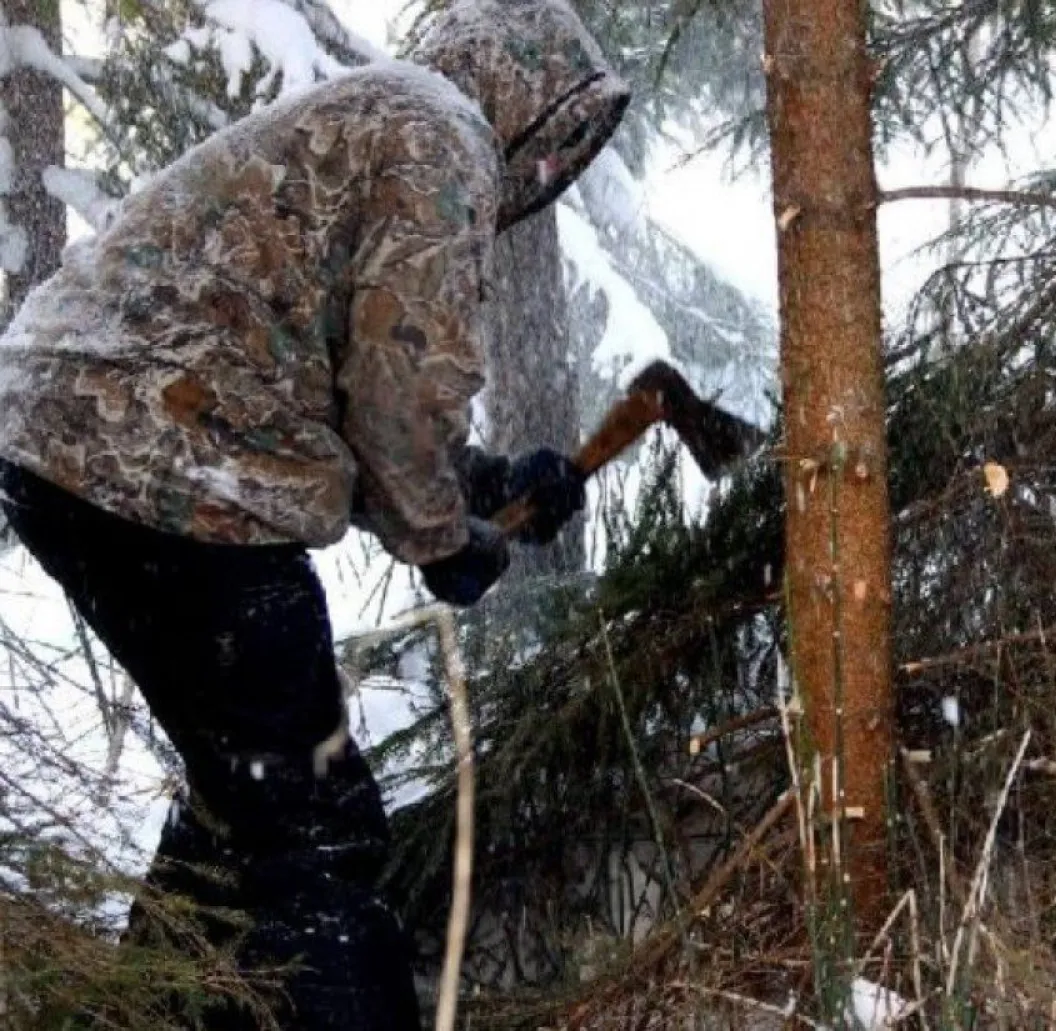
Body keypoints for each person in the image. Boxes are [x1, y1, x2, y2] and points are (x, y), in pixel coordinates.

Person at [0, 0, 629, 1026]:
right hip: (167, 469)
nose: (549, 170)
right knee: (317, 825)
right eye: (556, 141)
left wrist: (480, 480)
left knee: (246, 791)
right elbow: (400, 385)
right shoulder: (441, 132)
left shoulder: (386, 117)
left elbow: (343, 366)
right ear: (526, 94)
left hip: (78, 442)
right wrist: (440, 538)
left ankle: (141, 1014)